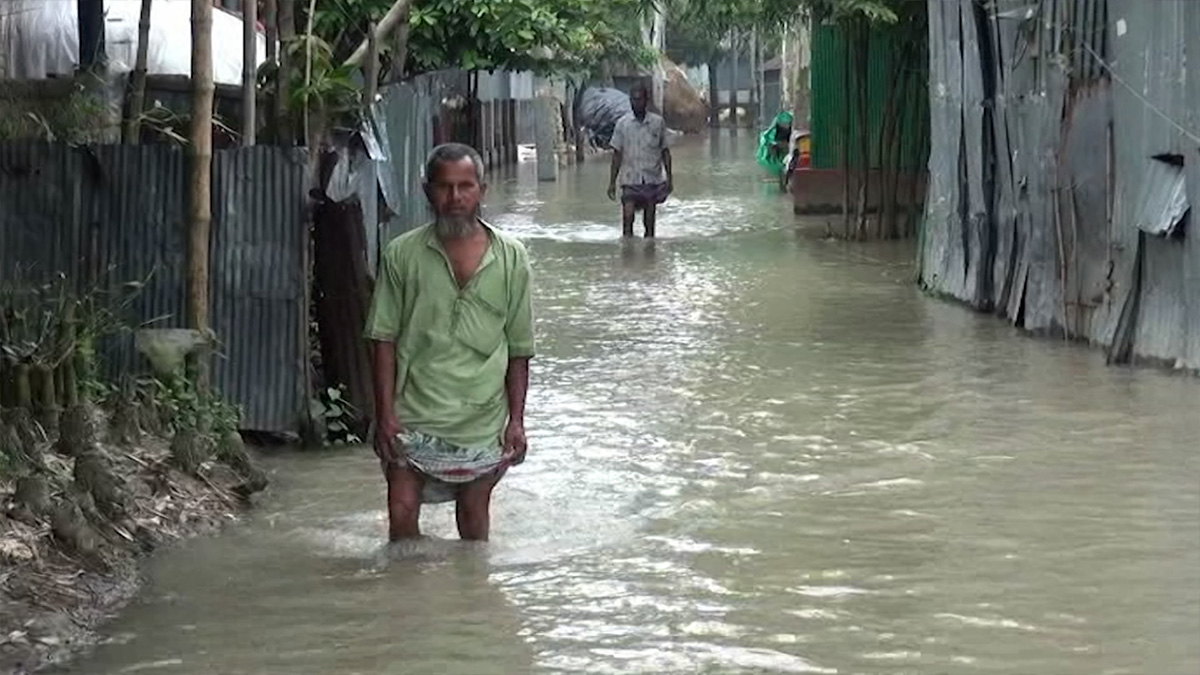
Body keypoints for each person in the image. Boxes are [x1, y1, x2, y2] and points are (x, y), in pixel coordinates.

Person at [364, 143, 535, 542]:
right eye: (445, 187)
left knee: (474, 520)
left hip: (482, 420)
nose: (455, 197)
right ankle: (407, 600)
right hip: (414, 415)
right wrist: (385, 414)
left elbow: (519, 347)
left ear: (483, 190)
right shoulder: (401, 255)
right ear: (427, 191)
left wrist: (517, 420)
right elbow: (382, 338)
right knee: (401, 514)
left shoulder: (512, 258)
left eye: (465, 186)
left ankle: (473, 598)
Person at [607, 84, 674, 238]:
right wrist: (612, 182)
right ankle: (627, 252)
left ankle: (649, 254)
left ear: (646, 101)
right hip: (630, 180)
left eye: (639, 99)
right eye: (633, 100)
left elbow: (665, 152)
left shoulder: (657, 123)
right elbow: (617, 154)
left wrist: (669, 178)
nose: (636, 103)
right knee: (627, 216)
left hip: (651, 180)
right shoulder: (622, 124)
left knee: (649, 223)